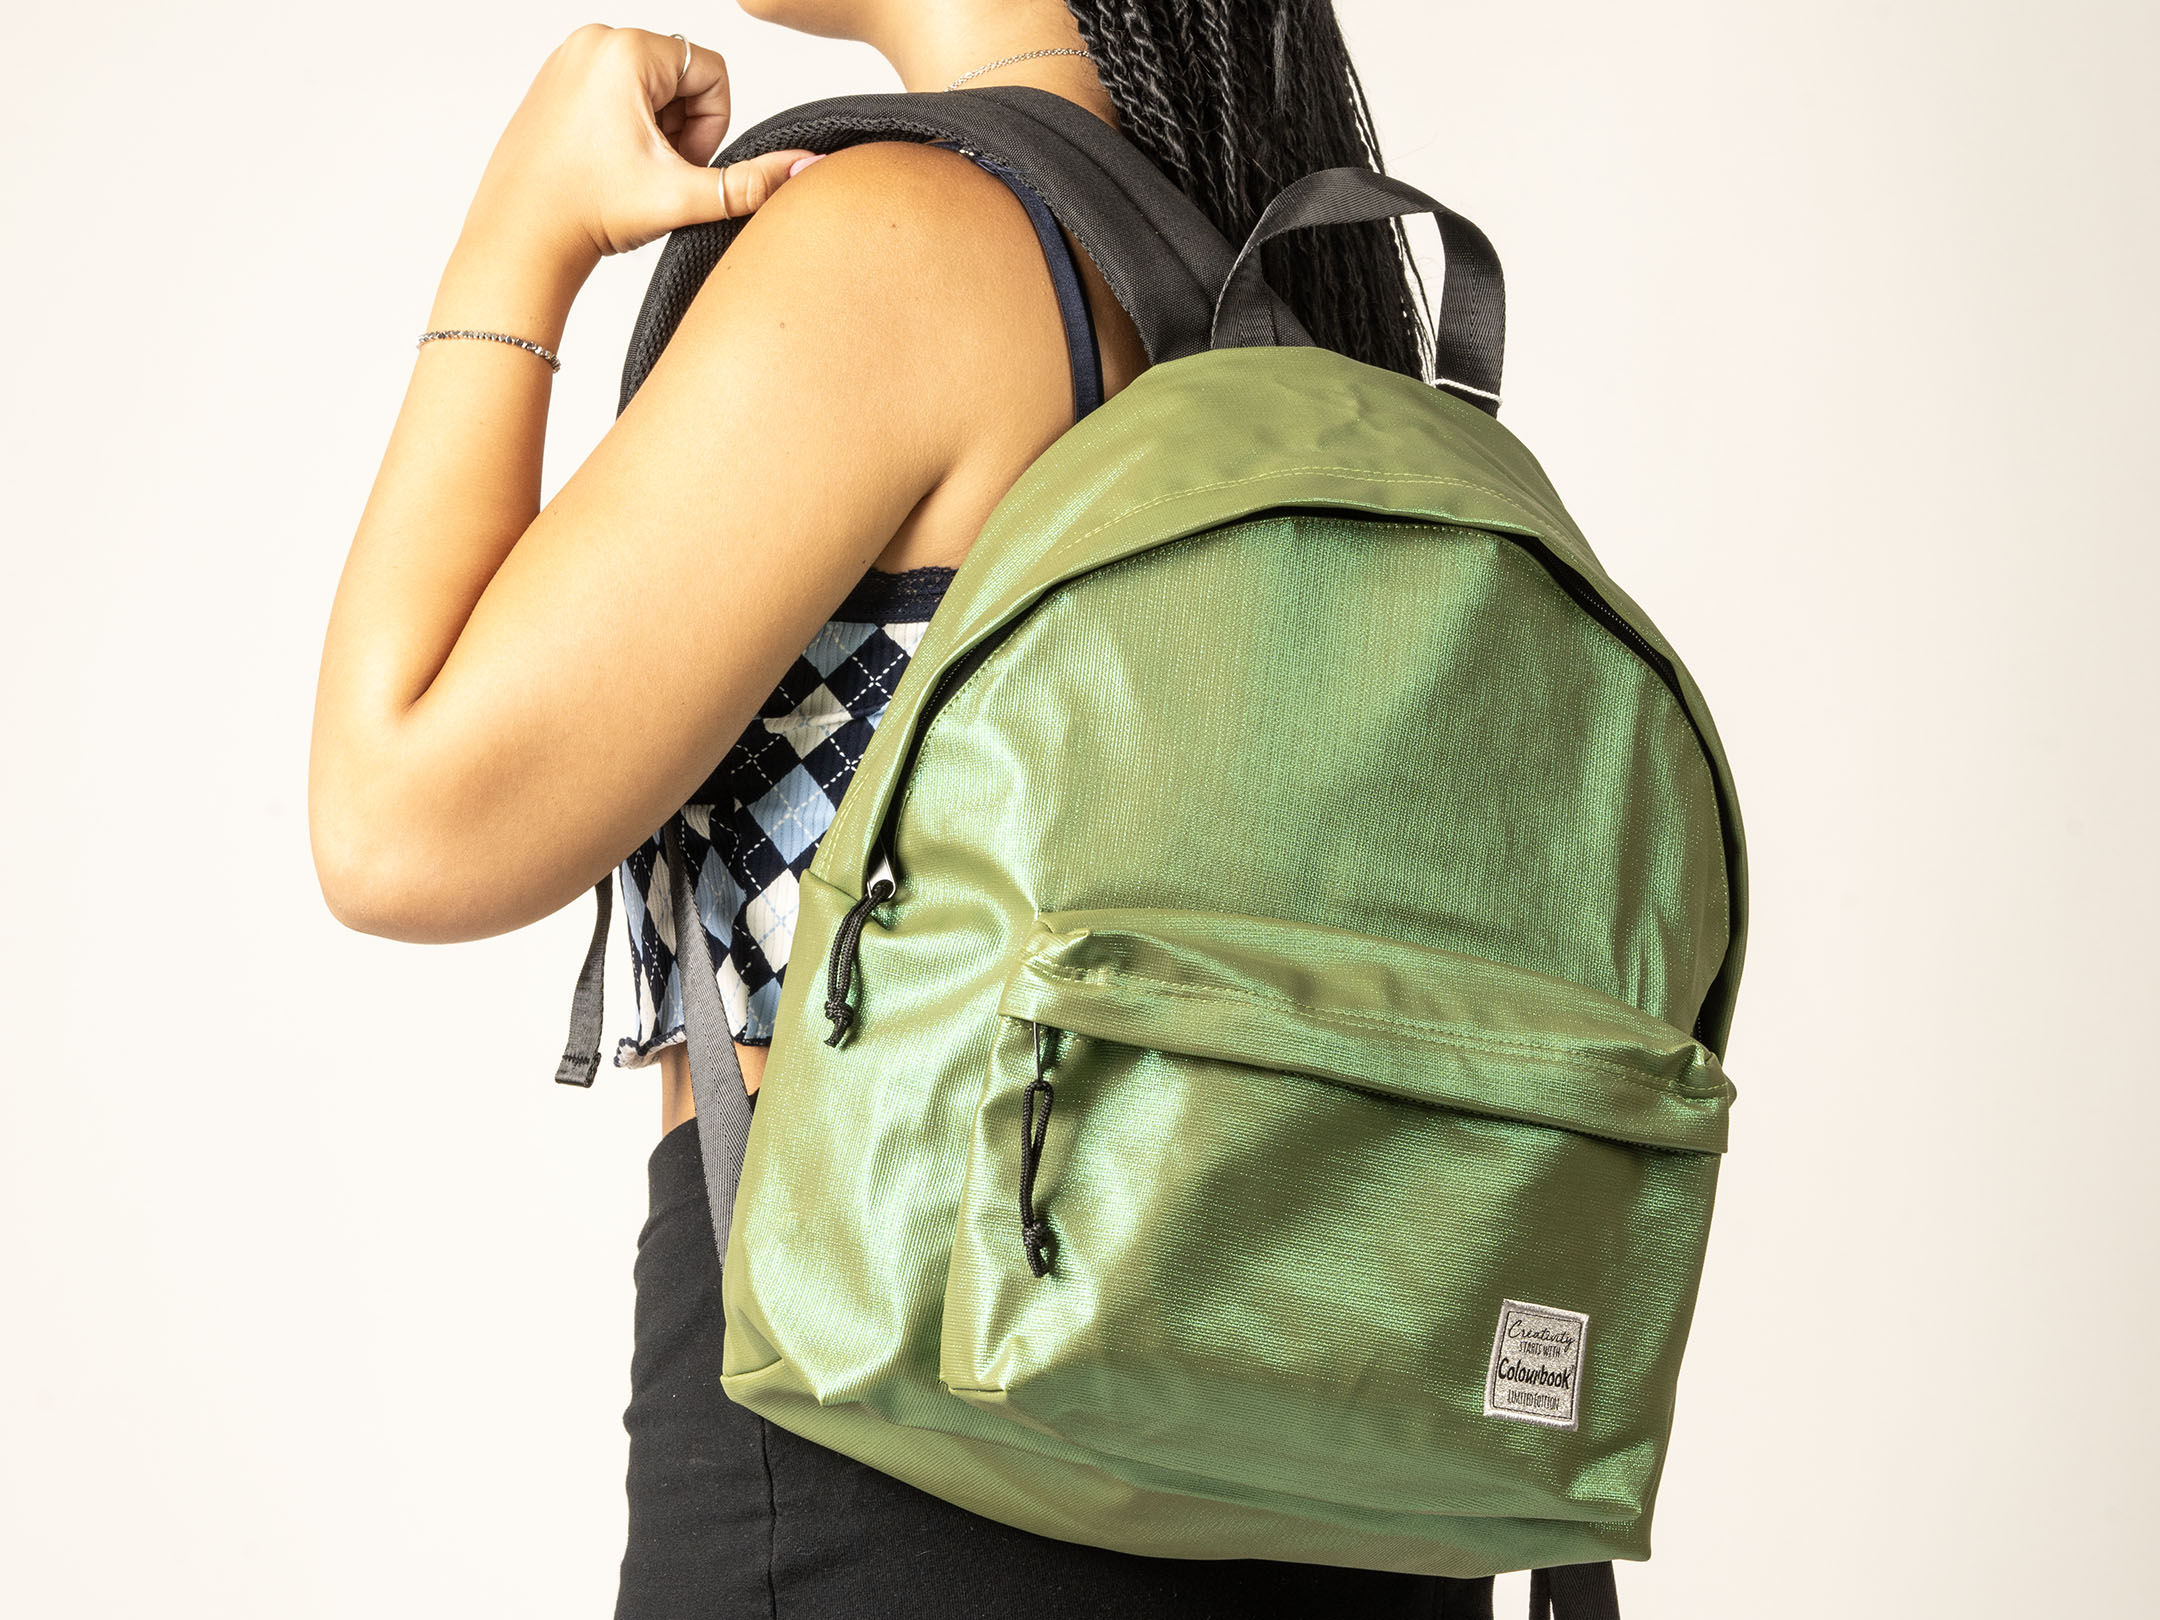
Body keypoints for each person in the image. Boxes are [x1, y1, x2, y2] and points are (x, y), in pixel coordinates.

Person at [310, 3, 1466, 1614]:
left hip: (894, 1458)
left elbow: (399, 825)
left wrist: (517, 241)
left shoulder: (907, 241)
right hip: (1338, 1472)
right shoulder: (1290, 315)